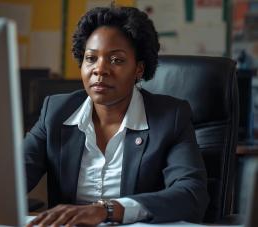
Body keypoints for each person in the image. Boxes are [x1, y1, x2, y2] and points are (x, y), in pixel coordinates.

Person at [25, 5, 209, 226]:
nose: (99, 69)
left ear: (138, 69)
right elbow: (12, 179)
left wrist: (108, 210)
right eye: (91, 58)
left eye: (116, 60)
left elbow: (191, 195)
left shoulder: (170, 118)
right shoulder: (56, 112)